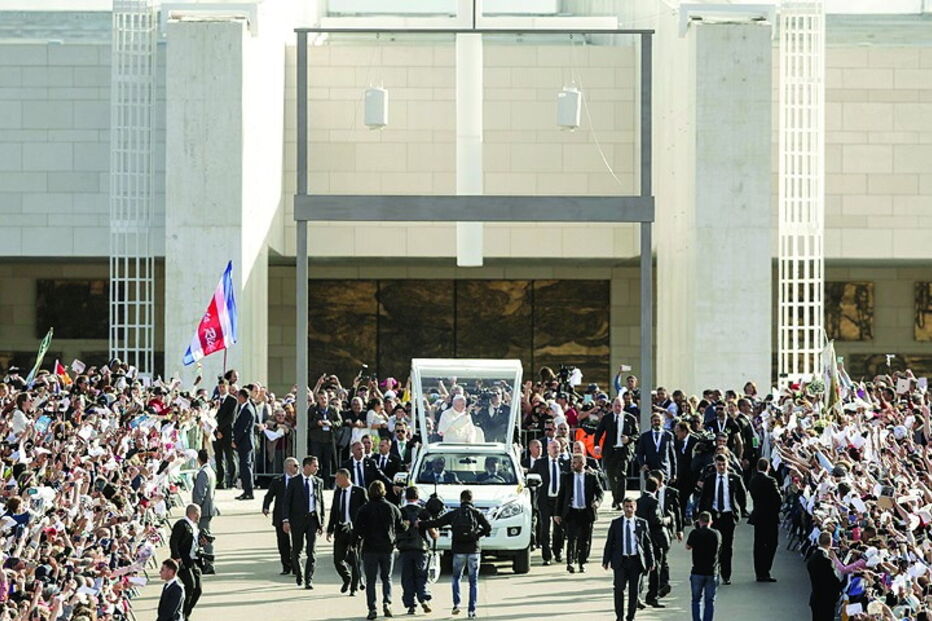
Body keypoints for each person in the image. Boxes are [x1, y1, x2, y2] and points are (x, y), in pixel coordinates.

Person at [421, 489, 492, 619]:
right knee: (473, 582)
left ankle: (457, 605)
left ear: (461, 500)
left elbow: (437, 523)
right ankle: (471, 611)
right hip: (473, 550)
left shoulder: (454, 514)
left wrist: (420, 524)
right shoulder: (477, 513)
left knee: (456, 578)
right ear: (472, 500)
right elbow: (488, 528)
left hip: (458, 549)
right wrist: (477, 536)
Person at [354, 480, 407, 620]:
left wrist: (353, 543)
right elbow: (401, 527)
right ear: (384, 491)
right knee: (386, 578)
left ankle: (372, 608)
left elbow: (357, 529)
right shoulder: (392, 507)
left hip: (370, 548)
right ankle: (387, 603)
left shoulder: (364, 509)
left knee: (370, 580)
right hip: (387, 548)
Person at [603, 497, 654, 621]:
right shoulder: (616, 523)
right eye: (626, 506)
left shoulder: (642, 523)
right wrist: (606, 560)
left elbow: (647, 544)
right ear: (623, 507)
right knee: (619, 589)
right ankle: (619, 616)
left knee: (634, 591)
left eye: (631, 506)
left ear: (635, 507)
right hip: (621, 561)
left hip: (636, 561)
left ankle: (631, 616)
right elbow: (609, 542)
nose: (629, 509)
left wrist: (651, 561)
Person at [698, 454, 746, 585]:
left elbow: (742, 496)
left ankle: (726, 574)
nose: (722, 467)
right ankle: (712, 572)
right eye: (719, 464)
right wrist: (701, 517)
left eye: (724, 464)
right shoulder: (710, 479)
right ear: (715, 465)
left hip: (728, 515)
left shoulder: (735, 478)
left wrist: (739, 511)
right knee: (712, 545)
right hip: (713, 516)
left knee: (727, 546)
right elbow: (704, 498)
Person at [282, 456, 326, 589]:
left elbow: (320, 502)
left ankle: (309, 579)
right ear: (306, 466)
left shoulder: (318, 482)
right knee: (296, 550)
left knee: (311, 551)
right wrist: (286, 520)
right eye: (314, 466)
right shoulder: (294, 482)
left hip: (312, 519)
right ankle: (299, 574)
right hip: (297, 520)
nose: (317, 468)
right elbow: (287, 502)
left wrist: (321, 522)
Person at [555, 453, 603, 573]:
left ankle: (582, 562)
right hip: (572, 512)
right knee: (571, 538)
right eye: (572, 462)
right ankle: (570, 562)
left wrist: (597, 502)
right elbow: (561, 496)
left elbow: (600, 492)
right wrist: (557, 513)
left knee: (584, 539)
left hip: (586, 512)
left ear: (582, 463)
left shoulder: (591, 477)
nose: (572, 465)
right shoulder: (567, 477)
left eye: (575, 463)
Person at [327, 468, 368, 596]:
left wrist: (363, 529)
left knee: (355, 558)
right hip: (341, 528)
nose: (336, 481)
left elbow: (366, 511)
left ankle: (354, 588)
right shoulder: (338, 492)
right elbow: (334, 511)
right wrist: (330, 529)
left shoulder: (359, 491)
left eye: (338, 478)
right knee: (337, 558)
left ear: (345, 477)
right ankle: (346, 578)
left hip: (355, 530)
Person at [593, 397, 639, 509]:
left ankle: (619, 500)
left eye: (620, 406)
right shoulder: (607, 418)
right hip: (610, 451)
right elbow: (599, 432)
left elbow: (636, 434)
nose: (618, 408)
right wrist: (597, 445)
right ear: (612, 406)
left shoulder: (630, 418)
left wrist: (629, 439)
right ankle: (615, 497)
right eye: (616, 406)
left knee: (621, 475)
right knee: (611, 475)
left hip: (623, 451)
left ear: (623, 406)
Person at [396, 486, 434, 615]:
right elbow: (433, 533)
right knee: (421, 575)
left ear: (406, 497)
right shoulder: (424, 512)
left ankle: (410, 604)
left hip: (405, 548)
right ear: (418, 498)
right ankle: (423, 597)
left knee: (407, 577)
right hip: (420, 548)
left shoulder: (400, 512)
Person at [532, 440, 569, 565]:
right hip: (545, 499)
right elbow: (532, 477)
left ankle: (558, 552)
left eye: (558, 447)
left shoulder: (565, 463)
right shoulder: (540, 463)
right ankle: (546, 556)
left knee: (559, 528)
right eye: (553, 447)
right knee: (545, 528)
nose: (556, 449)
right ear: (548, 449)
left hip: (559, 500)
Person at [636, 477, 670, 608]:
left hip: (641, 538)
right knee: (655, 568)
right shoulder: (654, 502)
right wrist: (666, 520)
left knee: (641, 569)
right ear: (657, 488)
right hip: (654, 540)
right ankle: (652, 596)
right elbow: (655, 520)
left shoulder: (639, 501)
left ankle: (637, 595)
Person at [263, 456, 299, 575]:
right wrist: (266, 506)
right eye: (295, 466)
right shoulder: (277, 481)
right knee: (283, 543)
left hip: (296, 516)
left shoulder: (300, 481)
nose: (298, 468)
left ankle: (296, 566)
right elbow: (269, 495)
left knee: (296, 543)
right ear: (288, 467)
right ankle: (286, 566)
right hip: (280, 516)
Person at [748, 457, 781, 582]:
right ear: (768, 467)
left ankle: (759, 572)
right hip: (770, 517)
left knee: (759, 544)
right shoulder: (771, 480)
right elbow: (778, 499)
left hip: (758, 516)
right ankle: (765, 570)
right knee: (772, 543)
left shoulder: (753, 480)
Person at [650, 469, 682, 598]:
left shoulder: (671, 492)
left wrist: (679, 529)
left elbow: (678, 511)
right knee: (657, 556)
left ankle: (663, 583)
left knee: (663, 555)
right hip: (653, 528)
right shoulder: (649, 493)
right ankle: (659, 583)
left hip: (667, 529)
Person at [169, 504, 203, 620]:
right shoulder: (181, 524)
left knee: (198, 589)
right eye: (198, 513)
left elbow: (194, 542)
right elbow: (173, 541)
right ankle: (181, 614)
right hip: (182, 561)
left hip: (192, 560)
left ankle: (186, 612)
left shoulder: (194, 526)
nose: (200, 516)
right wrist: (177, 557)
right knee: (190, 586)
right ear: (193, 513)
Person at [685, 511, 720, 621]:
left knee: (696, 600)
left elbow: (688, 547)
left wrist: (697, 529)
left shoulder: (695, 533)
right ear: (711, 522)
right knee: (709, 601)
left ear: (699, 521)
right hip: (711, 571)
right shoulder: (716, 534)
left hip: (697, 571)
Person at [191, 449, 218, 574]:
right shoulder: (210, 471)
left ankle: (209, 562)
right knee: (204, 535)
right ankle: (206, 561)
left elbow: (199, 493)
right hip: (209, 507)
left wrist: (195, 508)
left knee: (204, 536)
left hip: (203, 509)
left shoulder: (203, 473)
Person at [308, 391, 342, 490]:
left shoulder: (333, 409)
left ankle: (326, 485)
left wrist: (331, 424)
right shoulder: (313, 409)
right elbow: (308, 423)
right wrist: (317, 423)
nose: (323, 400)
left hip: (329, 440)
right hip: (316, 440)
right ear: (318, 399)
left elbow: (340, 422)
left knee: (327, 464)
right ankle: (314, 484)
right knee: (315, 463)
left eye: (325, 398)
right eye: (321, 398)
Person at [807, 531, 842, 621]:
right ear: (830, 542)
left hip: (816, 597)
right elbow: (836, 579)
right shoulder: (826, 561)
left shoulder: (813, 557)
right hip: (826, 600)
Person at [635, 413, 677, 484]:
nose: (656, 422)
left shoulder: (668, 435)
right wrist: (642, 464)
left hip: (664, 469)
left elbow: (672, 455)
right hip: (650, 469)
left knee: (663, 493)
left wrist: (674, 473)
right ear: (651, 422)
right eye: (654, 420)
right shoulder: (645, 436)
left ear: (663, 422)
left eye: (658, 420)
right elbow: (640, 453)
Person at [232, 388, 258, 500]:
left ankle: (249, 491)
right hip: (244, 443)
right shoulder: (244, 408)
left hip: (245, 443)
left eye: (238, 396)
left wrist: (235, 441)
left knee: (245, 467)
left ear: (242, 397)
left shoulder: (247, 410)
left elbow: (243, 429)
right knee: (244, 467)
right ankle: (246, 490)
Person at [213, 379, 238, 489]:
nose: (222, 388)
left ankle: (232, 480)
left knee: (229, 457)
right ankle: (220, 480)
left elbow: (230, 418)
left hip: (227, 432)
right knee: (218, 458)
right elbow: (212, 416)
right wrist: (216, 430)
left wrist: (220, 429)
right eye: (220, 386)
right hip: (216, 433)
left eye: (223, 386)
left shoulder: (232, 400)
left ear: (227, 387)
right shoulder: (215, 400)